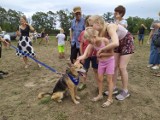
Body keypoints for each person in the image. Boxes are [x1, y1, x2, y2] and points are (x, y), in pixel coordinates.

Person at [90, 15, 134, 101]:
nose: (91, 28)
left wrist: (102, 50)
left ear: (98, 23)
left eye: (92, 25)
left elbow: (115, 43)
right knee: (114, 67)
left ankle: (125, 90)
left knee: (122, 67)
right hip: (116, 43)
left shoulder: (110, 27)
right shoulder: (101, 31)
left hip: (126, 42)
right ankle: (113, 87)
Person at [77, 27, 115, 107]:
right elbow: (86, 54)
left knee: (109, 80)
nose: (89, 43)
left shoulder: (105, 41)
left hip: (109, 62)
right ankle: (100, 95)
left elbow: (112, 54)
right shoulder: (92, 43)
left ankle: (110, 99)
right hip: (101, 62)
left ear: (94, 37)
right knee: (99, 79)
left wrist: (100, 54)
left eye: (89, 41)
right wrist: (80, 58)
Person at [78, 15, 98, 91]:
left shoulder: (96, 32)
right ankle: (83, 83)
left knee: (96, 70)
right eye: (89, 22)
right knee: (84, 70)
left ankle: (98, 85)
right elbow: (81, 45)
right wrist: (82, 55)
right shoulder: (83, 33)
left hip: (95, 55)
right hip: (85, 56)